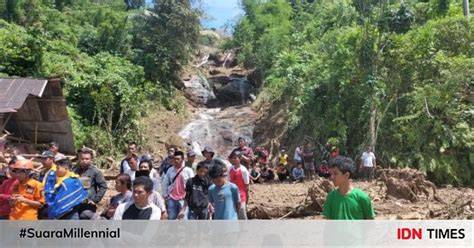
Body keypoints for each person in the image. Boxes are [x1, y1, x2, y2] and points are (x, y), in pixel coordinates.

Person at [73, 148, 108, 219]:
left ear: (91, 159)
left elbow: (103, 186)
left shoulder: (95, 171)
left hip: (88, 204)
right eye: (82, 158)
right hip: (75, 202)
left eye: (87, 159)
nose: (84, 161)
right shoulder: (74, 169)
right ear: (79, 158)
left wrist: (95, 200)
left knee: (85, 216)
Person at [161, 150, 194, 220]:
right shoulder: (170, 170)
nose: (176, 161)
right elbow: (165, 183)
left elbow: (192, 184)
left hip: (184, 199)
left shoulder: (188, 171)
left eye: (178, 159)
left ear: (182, 159)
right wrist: (166, 196)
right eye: (175, 159)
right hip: (172, 198)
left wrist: (190, 198)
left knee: (184, 218)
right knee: (172, 217)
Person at [228, 150, 250, 219]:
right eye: (233, 158)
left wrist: (246, 198)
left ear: (240, 158)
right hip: (232, 195)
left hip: (241, 195)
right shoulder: (230, 169)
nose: (234, 159)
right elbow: (229, 181)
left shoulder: (243, 170)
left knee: (242, 213)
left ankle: (244, 229)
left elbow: (247, 185)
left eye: (235, 158)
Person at [37, 151, 58, 219]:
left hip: (52, 202)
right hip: (42, 201)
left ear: (52, 159)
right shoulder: (42, 172)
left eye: (45, 159)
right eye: (42, 159)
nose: (42, 161)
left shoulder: (57, 171)